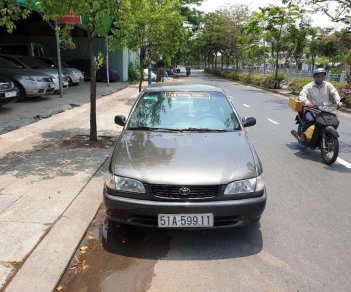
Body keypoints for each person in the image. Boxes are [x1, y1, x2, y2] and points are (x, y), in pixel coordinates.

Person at [298, 68, 343, 146]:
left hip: (325, 109)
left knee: (334, 120)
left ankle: (327, 135)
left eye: (322, 75)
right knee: (310, 120)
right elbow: (302, 95)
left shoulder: (328, 85)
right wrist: (307, 103)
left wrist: (339, 102)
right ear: (314, 76)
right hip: (311, 109)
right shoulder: (309, 86)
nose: (320, 77)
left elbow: (334, 93)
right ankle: (302, 137)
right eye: (318, 75)